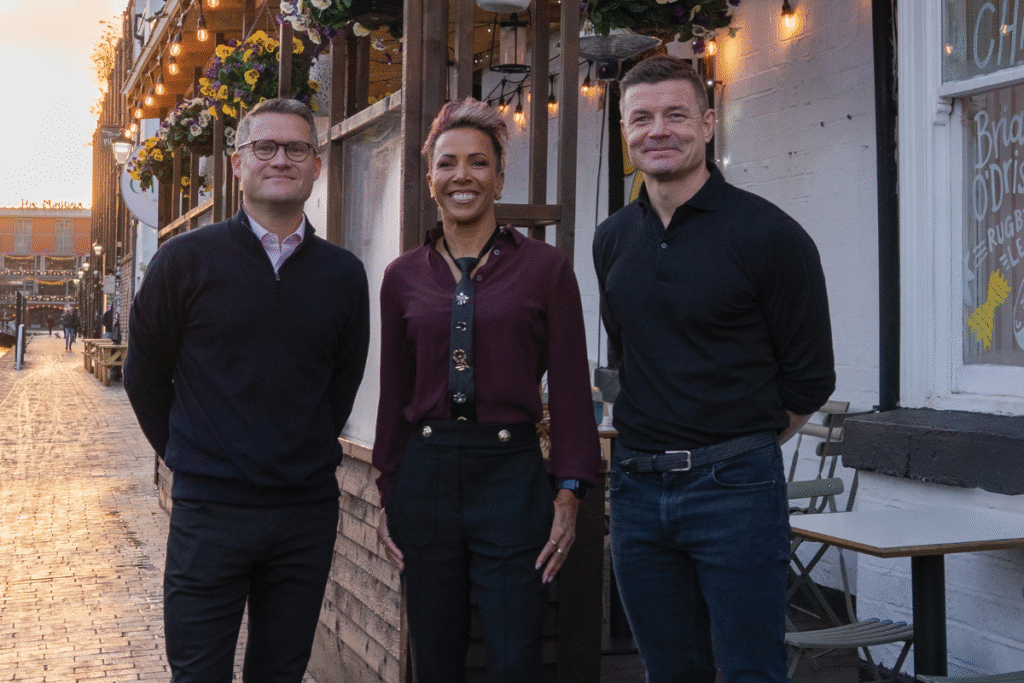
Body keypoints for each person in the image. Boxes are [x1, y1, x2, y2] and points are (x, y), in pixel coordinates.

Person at [593, 55, 836, 683]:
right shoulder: (613, 238)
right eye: (641, 118)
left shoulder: (770, 235)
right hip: (637, 490)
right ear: (625, 131)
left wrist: (730, 446)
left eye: (676, 115)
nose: (658, 130)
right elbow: (629, 356)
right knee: (670, 672)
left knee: (750, 671)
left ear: (707, 123)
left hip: (735, 490)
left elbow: (809, 380)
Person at [123, 97, 370, 683]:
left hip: (304, 515)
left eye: (296, 149)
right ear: (237, 164)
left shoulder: (343, 274)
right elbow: (144, 375)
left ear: (316, 166)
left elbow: (341, 384)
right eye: (265, 147)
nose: (280, 159)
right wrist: (196, 453)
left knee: (280, 673)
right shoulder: (184, 261)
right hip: (211, 513)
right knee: (199, 672)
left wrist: (297, 451)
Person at [373, 98, 601, 682]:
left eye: (478, 163)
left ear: (499, 177)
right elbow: (394, 393)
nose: (462, 176)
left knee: (514, 656)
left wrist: (569, 491)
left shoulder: (547, 269)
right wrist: (388, 491)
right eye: (448, 164)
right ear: (430, 181)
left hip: (512, 477)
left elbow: (573, 389)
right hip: (425, 478)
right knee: (436, 655)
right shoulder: (402, 277)